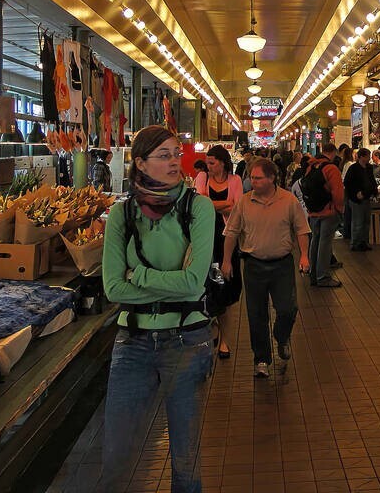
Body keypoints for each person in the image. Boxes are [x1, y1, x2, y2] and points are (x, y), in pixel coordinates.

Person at [100, 126, 215, 493]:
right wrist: (168, 284)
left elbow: (193, 284)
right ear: (140, 163)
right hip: (132, 341)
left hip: (187, 339)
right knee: (117, 454)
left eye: (176, 153)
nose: (175, 162)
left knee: (185, 456)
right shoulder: (122, 215)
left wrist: (139, 275)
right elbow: (113, 288)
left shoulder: (198, 208)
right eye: (164, 155)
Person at [222, 158, 311, 378]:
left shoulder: (288, 200)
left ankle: (281, 336)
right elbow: (231, 233)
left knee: (287, 308)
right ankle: (261, 359)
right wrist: (226, 261)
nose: (253, 181)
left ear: (272, 178)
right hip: (253, 265)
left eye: (258, 178)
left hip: (282, 264)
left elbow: (302, 230)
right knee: (256, 314)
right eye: (252, 177)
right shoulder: (244, 202)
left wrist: (304, 256)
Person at [193, 145, 244, 360]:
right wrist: (225, 204)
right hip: (206, 242)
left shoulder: (235, 180)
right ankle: (212, 329)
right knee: (210, 287)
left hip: (227, 242)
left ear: (223, 163)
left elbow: (238, 207)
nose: (208, 166)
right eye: (207, 162)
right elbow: (199, 204)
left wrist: (211, 203)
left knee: (225, 289)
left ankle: (224, 340)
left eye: (212, 162)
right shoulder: (202, 178)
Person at [303, 143, 345, 288]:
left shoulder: (311, 166)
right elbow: (338, 193)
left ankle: (313, 273)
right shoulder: (331, 168)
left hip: (313, 210)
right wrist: (339, 209)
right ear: (333, 152)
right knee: (325, 243)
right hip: (328, 210)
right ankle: (323, 276)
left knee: (315, 241)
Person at [343, 148, 379, 252]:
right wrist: (356, 193)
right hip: (356, 200)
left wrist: (374, 191)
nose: (369, 158)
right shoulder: (353, 168)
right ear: (361, 157)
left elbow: (372, 180)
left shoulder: (369, 168)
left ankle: (364, 242)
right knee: (358, 222)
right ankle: (355, 243)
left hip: (367, 197)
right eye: (367, 156)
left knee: (366, 222)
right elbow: (347, 182)